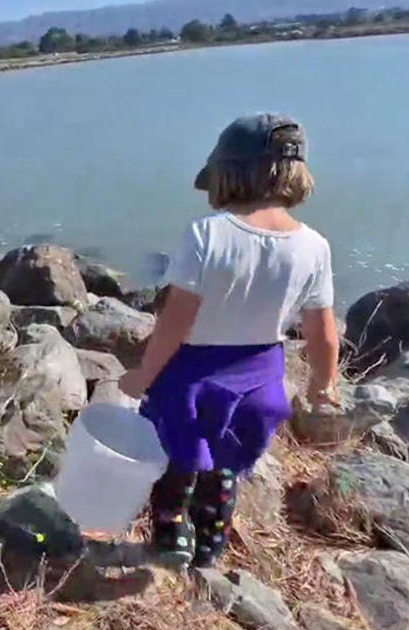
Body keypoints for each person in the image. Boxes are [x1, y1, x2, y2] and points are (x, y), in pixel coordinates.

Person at [118, 114, 340, 569]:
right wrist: (324, 384)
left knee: (177, 459)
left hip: (191, 376)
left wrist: (144, 375)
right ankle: (209, 546)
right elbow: (323, 333)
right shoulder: (314, 246)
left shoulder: (205, 234)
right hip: (261, 380)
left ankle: (169, 536)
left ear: (227, 172)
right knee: (225, 467)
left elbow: (175, 323)